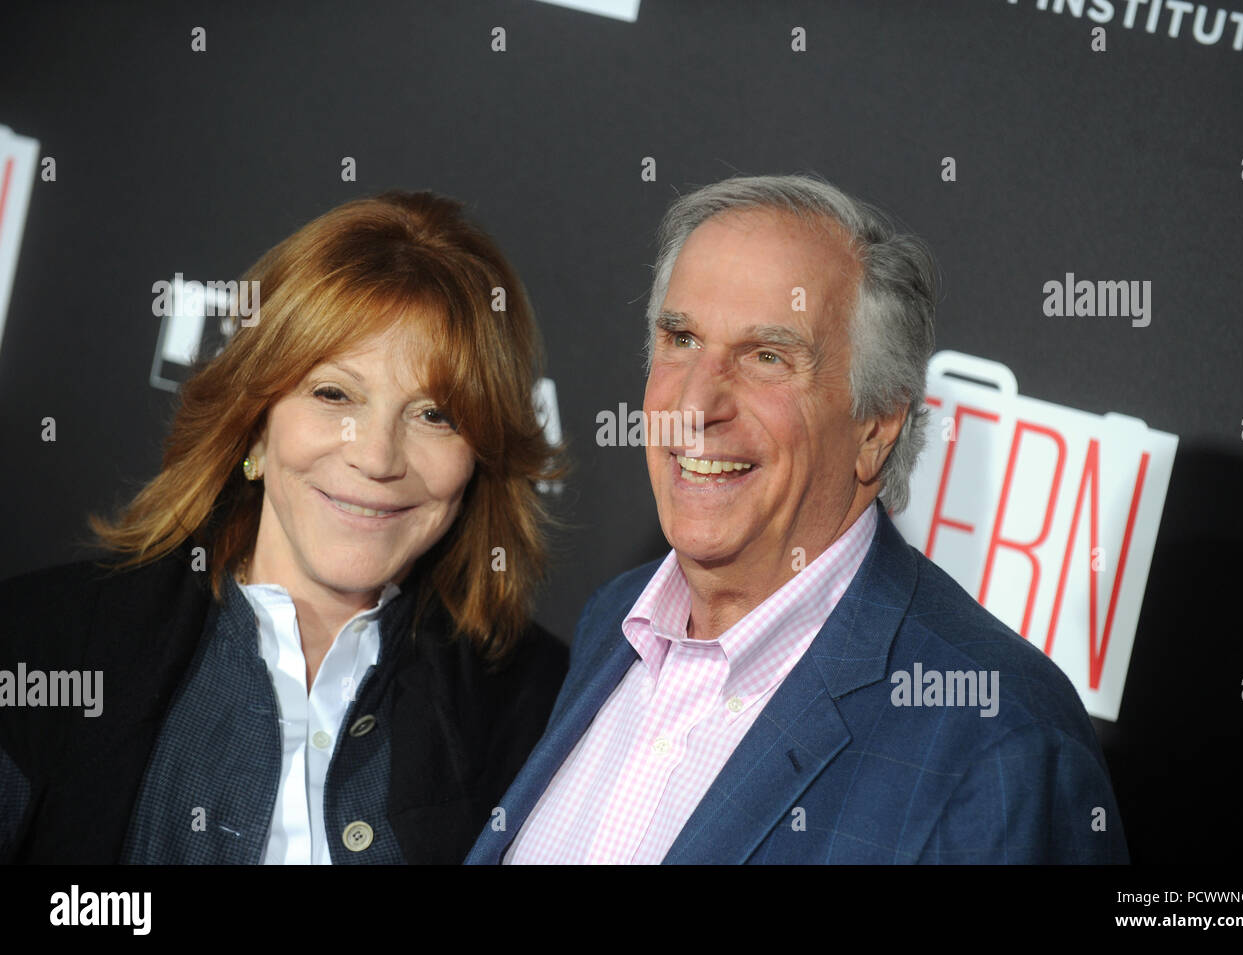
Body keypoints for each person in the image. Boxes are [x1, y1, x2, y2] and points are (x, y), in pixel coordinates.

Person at [467, 173, 1128, 864]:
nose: (696, 404)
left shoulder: (999, 744)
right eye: (682, 338)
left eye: (768, 357)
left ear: (876, 425)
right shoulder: (614, 620)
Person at [0, 191, 568, 864]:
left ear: (479, 458)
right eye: (334, 394)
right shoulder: (42, 645)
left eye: (435, 415)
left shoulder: (543, 709)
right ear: (257, 426)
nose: (376, 456)